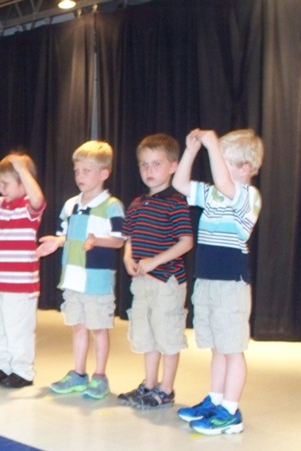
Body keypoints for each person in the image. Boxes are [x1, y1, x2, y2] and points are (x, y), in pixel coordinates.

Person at [172, 129, 263, 435]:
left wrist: (212, 145)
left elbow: (225, 183)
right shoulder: (212, 194)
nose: (218, 168)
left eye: (225, 162)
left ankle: (230, 411)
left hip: (230, 284)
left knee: (232, 348)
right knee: (217, 348)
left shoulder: (247, 196)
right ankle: (215, 400)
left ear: (245, 168)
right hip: (208, 281)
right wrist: (191, 150)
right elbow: (179, 184)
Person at [37, 141, 125, 398]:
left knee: (98, 328)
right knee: (78, 326)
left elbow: (119, 240)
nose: (80, 176)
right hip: (73, 277)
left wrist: (97, 241)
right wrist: (56, 242)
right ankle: (78, 373)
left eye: (87, 170)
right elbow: (66, 235)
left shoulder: (111, 205)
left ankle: (100, 376)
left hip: (96, 280)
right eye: (77, 171)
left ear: (104, 173)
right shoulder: (71, 205)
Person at [118, 133, 194, 409]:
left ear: (173, 166)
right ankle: (149, 384)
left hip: (166, 282)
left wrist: (156, 261)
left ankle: (166, 390)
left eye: (156, 164)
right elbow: (129, 237)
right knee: (146, 334)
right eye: (144, 165)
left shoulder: (175, 202)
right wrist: (128, 257)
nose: (149, 170)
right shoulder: (137, 203)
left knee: (168, 335)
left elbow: (186, 242)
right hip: (142, 282)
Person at [0, 151, 45, 388]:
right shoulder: (2, 206)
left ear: (23, 183)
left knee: (18, 329)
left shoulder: (28, 208)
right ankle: (4, 366)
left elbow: (38, 198)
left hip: (21, 284)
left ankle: (22, 371)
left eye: (5, 184)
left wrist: (22, 169)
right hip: (0, 282)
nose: (1, 189)